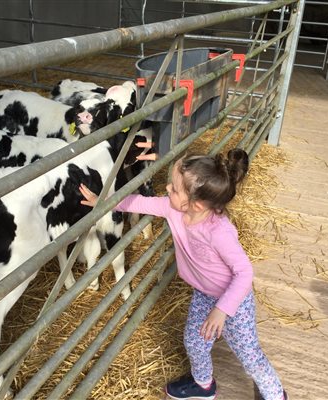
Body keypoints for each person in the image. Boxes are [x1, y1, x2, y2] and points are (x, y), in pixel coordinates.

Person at [79, 148, 287, 400]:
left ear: (196, 204)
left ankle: (275, 395)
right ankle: (203, 384)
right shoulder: (174, 208)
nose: (167, 188)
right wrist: (104, 204)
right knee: (194, 341)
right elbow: (141, 202)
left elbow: (244, 272)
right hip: (204, 294)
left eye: (175, 188)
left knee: (249, 356)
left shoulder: (218, 231)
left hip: (234, 301)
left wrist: (222, 310)